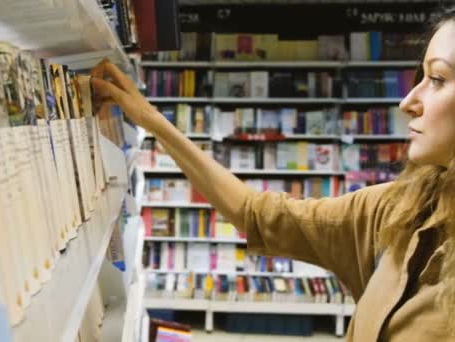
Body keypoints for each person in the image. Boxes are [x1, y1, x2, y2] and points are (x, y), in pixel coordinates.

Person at [90, 8, 455, 341]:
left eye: (437, 79)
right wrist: (153, 122)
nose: (407, 102)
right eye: (419, 77)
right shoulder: (398, 211)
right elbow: (258, 214)